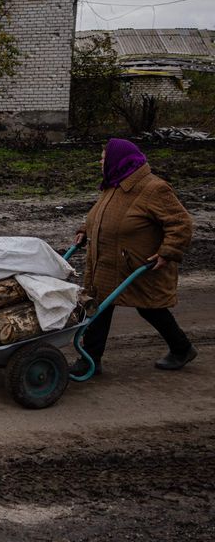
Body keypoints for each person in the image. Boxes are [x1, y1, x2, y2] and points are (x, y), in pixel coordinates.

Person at [72, 138, 196, 376]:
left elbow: (181, 223)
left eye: (104, 157)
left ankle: (182, 349)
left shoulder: (154, 188)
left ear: (119, 160)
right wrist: (84, 231)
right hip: (107, 262)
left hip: (140, 263)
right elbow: (100, 216)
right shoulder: (114, 184)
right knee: (99, 307)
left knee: (150, 309)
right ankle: (91, 359)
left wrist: (168, 251)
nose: (100, 161)